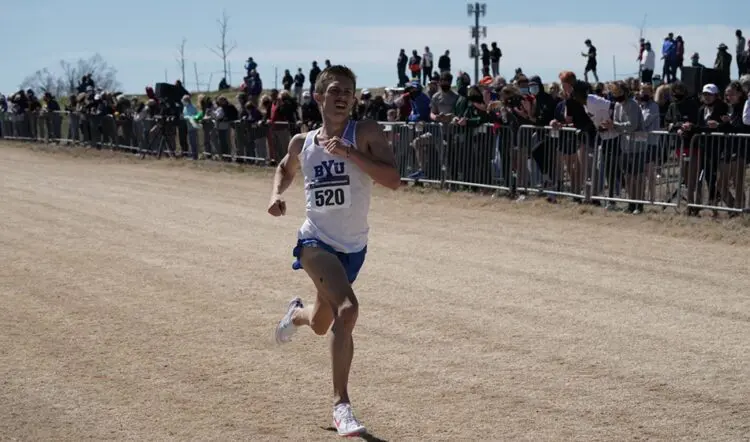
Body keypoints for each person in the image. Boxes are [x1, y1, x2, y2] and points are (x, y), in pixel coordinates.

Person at [267, 65, 401, 437]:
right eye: (334, 91)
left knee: (320, 323)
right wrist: (276, 195)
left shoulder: (366, 132)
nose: (342, 97)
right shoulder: (303, 142)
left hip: (353, 248)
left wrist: (349, 152)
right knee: (348, 309)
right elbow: (285, 169)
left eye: (347, 92)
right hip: (315, 242)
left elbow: (393, 180)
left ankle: (295, 314)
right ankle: (342, 405)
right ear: (318, 97)